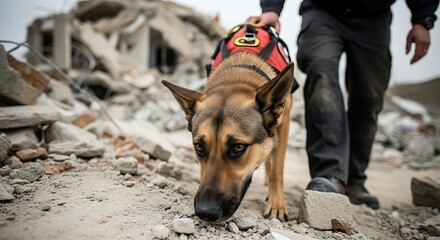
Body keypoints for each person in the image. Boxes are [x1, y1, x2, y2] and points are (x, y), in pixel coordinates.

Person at [247, 0, 439, 209]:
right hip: (322, 11)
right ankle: (329, 176)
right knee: (321, 75)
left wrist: (422, 19)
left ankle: (354, 182)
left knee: (369, 96)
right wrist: (271, 9)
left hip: (374, 19)